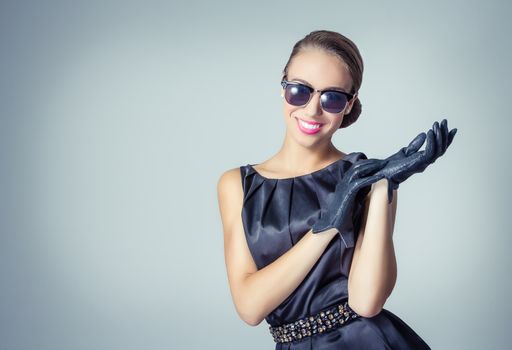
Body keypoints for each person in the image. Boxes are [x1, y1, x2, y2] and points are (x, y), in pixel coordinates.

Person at [217, 30, 456, 349]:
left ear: (349, 104)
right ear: (283, 88)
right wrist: (326, 226)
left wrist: (384, 186)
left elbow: (366, 302)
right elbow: (249, 307)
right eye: (300, 91)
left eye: (331, 97)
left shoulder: (367, 176)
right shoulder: (237, 185)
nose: (313, 109)